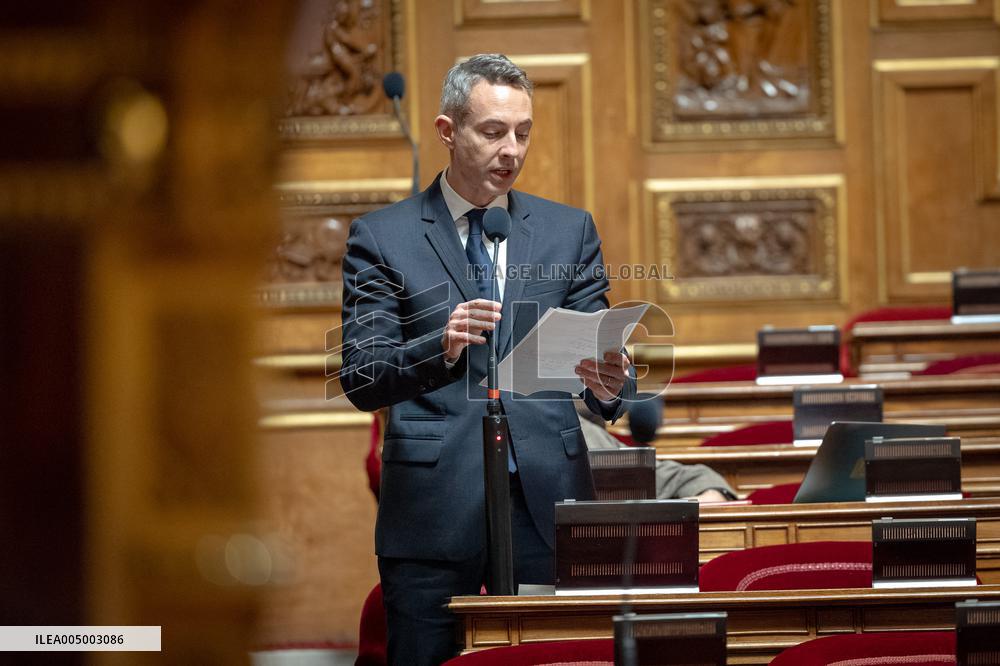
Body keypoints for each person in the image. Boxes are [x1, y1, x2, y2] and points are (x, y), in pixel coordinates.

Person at [339, 54, 635, 665]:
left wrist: (608, 381)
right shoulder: (381, 237)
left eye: (523, 133)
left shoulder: (566, 231)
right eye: (493, 131)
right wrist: (439, 346)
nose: (512, 150)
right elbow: (362, 376)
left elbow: (594, 365)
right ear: (448, 132)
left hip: (545, 500)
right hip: (432, 506)